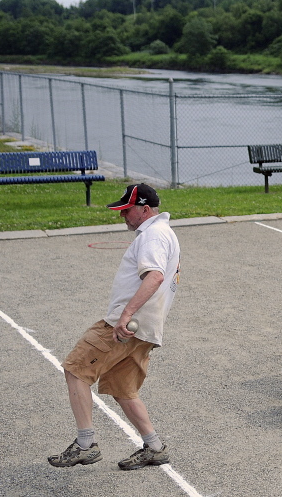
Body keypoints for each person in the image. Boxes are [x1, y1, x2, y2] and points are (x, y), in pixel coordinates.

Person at [48, 183, 181, 471]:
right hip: (146, 329)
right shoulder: (165, 233)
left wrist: (125, 315)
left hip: (126, 326)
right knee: (123, 388)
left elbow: (155, 276)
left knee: (75, 369)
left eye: (127, 211)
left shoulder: (152, 235)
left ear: (145, 209)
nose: (123, 217)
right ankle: (155, 447)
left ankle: (86, 445)